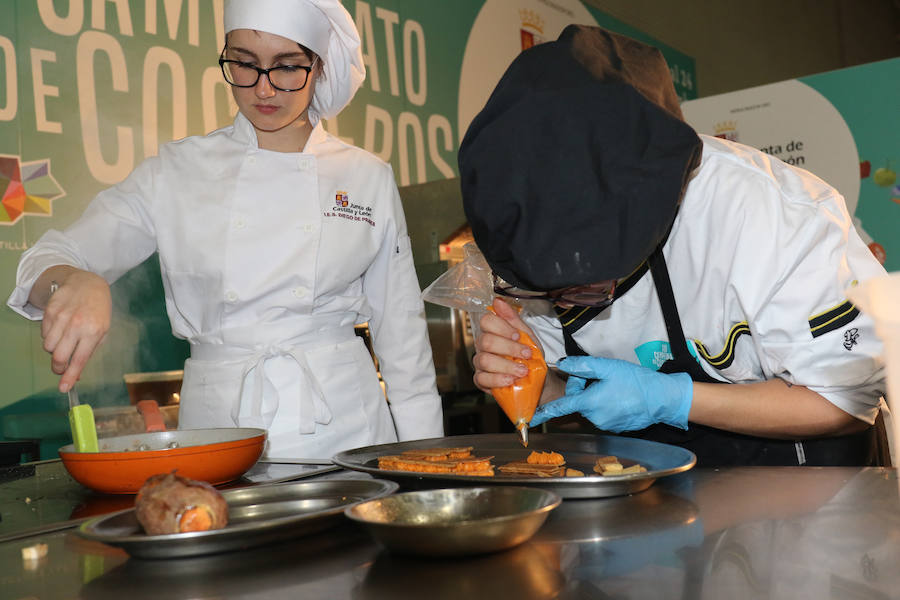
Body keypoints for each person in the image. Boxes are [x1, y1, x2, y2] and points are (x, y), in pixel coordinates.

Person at [7, 0, 443, 459]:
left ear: (318, 65)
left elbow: (401, 335)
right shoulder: (178, 171)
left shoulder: (365, 176)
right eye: (244, 64)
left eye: (287, 66)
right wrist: (72, 279)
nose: (264, 88)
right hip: (218, 434)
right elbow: (43, 260)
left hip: (347, 430)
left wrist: (427, 464)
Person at [459, 25, 887, 466]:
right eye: (538, 291)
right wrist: (529, 380)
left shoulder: (768, 215)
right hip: (664, 496)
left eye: (583, 290)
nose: (560, 305)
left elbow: (845, 402)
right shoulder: (527, 247)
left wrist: (673, 400)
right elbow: (565, 386)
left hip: (808, 488)